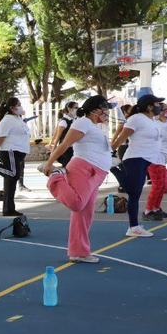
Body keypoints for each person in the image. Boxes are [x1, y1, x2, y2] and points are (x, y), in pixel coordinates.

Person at [39, 96, 112, 263]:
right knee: (77, 203)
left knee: (84, 214)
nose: (107, 112)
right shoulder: (83, 122)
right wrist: (49, 164)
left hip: (96, 173)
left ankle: (79, 252)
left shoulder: (95, 126)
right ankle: (56, 178)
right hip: (83, 168)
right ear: (96, 109)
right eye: (105, 108)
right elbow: (64, 145)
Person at [109, 93, 165, 237]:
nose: (160, 106)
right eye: (158, 104)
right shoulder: (136, 119)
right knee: (133, 192)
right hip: (135, 158)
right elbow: (122, 137)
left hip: (146, 160)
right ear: (149, 106)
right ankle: (133, 227)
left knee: (134, 192)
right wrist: (109, 151)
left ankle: (133, 227)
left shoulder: (151, 120)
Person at [0, 97, 30, 216]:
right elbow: (0, 138)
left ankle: (8, 208)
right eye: (19, 105)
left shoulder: (17, 118)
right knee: (13, 175)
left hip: (18, 151)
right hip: (10, 150)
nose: (21, 107)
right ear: (12, 108)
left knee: (11, 181)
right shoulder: (7, 120)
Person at [47, 101, 78, 167]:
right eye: (76, 108)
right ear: (69, 108)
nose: (77, 109)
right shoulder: (64, 121)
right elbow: (58, 136)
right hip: (66, 149)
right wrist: (53, 150)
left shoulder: (76, 120)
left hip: (75, 148)